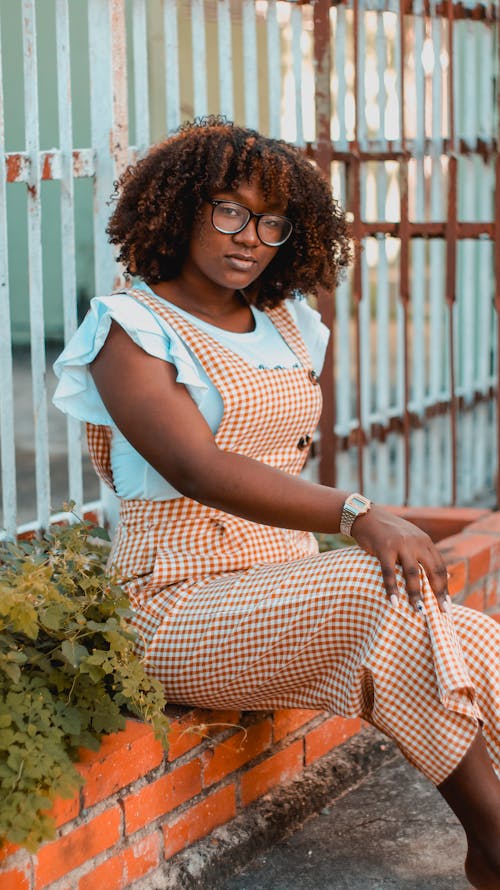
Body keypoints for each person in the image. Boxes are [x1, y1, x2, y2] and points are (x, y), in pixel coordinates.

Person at [53, 116, 499, 889]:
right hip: (178, 604)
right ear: (183, 206)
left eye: (270, 221)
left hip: (283, 588)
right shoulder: (128, 328)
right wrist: (359, 513)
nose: (248, 236)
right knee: (376, 586)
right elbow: (196, 465)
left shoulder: (293, 326)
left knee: (469, 637)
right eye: (228, 210)